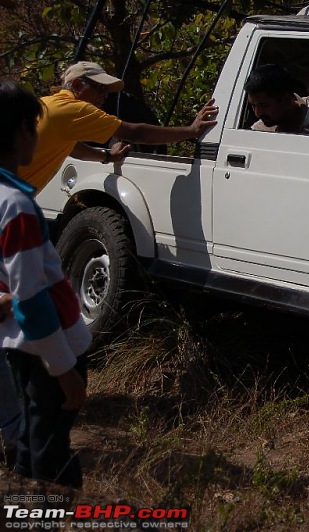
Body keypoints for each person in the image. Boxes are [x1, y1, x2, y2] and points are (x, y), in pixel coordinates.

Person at [0, 79, 92, 487]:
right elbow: (33, 297)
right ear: (22, 130)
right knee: (50, 457)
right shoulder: (17, 205)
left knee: (34, 441)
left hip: (18, 346)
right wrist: (64, 368)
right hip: (46, 349)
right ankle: (44, 516)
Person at [19, 61, 218, 191]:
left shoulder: (47, 103)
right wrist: (190, 130)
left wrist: (107, 156)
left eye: (107, 91)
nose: (104, 96)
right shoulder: (75, 109)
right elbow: (136, 132)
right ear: (78, 86)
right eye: (99, 88)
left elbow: (73, 147)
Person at [245, 64, 309, 134]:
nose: (258, 113)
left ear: (286, 100)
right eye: (253, 105)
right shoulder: (258, 132)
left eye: (264, 105)